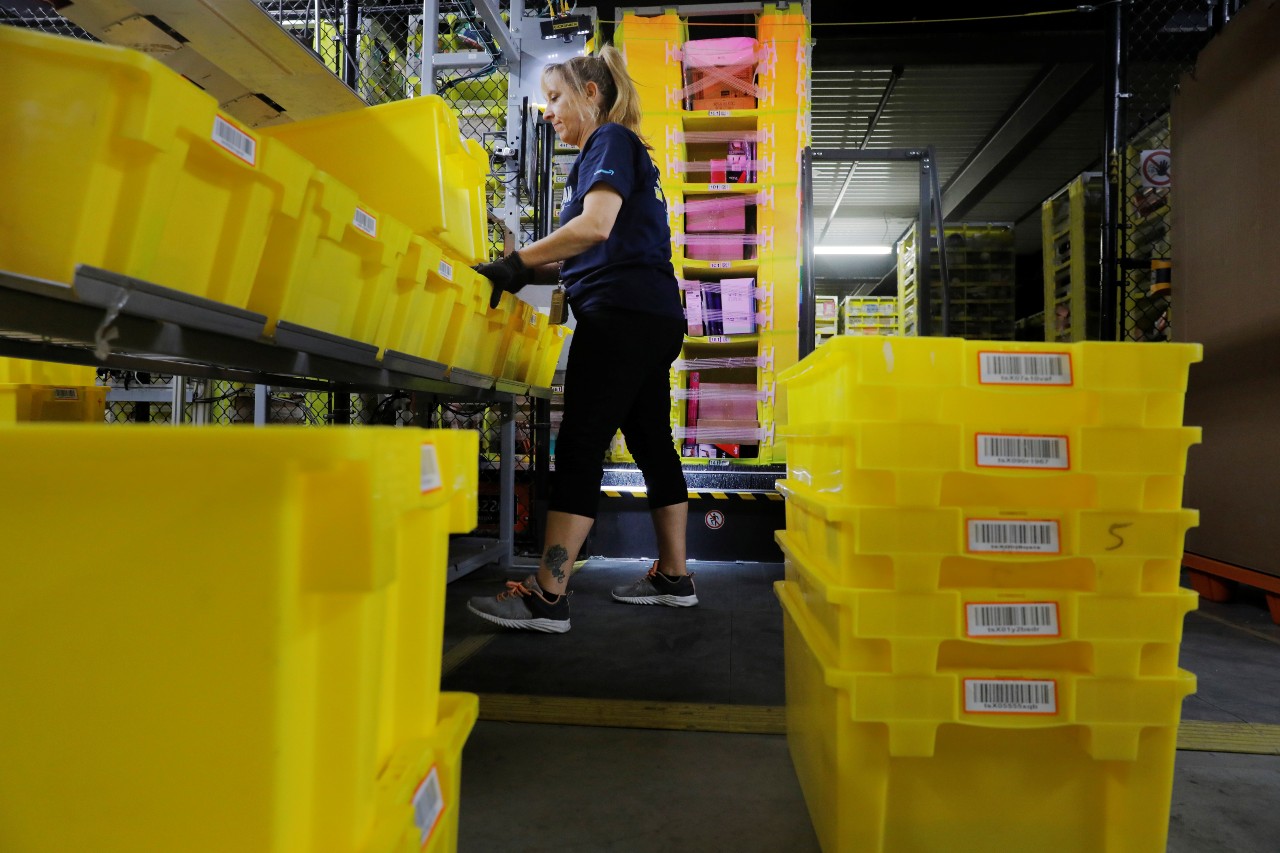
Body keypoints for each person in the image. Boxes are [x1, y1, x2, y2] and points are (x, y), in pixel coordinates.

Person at [466, 46, 694, 634]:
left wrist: (516, 261)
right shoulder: (618, 152)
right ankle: (675, 576)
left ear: (591, 94)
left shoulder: (610, 142)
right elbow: (585, 252)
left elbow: (592, 228)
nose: (548, 112)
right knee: (651, 442)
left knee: (580, 445)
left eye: (556, 98)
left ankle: (548, 596)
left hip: (620, 317)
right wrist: (512, 271)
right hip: (650, 316)